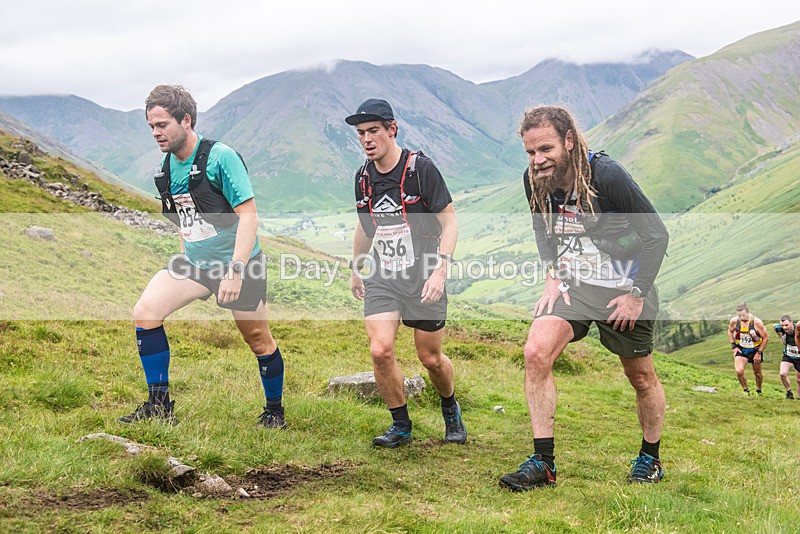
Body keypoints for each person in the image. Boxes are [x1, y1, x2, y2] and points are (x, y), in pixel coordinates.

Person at [499, 106, 669, 490]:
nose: (538, 160)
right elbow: (542, 229)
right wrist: (552, 277)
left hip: (623, 288)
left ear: (569, 141)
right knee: (536, 351)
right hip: (574, 286)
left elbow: (657, 235)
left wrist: (637, 294)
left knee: (640, 375)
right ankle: (543, 463)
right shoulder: (535, 179)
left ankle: (650, 459)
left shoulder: (606, 176)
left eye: (545, 149)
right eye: (530, 152)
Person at [118, 84, 287, 429]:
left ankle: (274, 412)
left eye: (163, 125)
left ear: (186, 120)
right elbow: (184, 221)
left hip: (240, 263)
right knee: (146, 312)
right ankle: (159, 405)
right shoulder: (164, 171)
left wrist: (236, 270)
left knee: (257, 339)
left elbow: (249, 216)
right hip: (196, 264)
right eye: (151, 126)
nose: (156, 133)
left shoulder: (221, 157)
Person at [345, 98, 465, 447]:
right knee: (380, 350)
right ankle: (401, 424)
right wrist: (357, 267)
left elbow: (450, 222)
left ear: (391, 130)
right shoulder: (363, 178)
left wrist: (441, 270)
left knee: (430, 357)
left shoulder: (420, 169)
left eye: (373, 131)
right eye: (361, 134)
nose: (367, 139)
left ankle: (449, 406)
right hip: (384, 275)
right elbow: (365, 227)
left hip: (425, 273)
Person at [727, 303, 769, 396]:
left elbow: (766, 338)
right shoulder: (734, 321)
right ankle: (746, 390)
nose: (741, 317)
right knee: (739, 371)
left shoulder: (757, 322)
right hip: (742, 349)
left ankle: (759, 390)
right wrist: (734, 347)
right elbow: (730, 331)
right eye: (739, 315)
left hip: (755, 349)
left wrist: (759, 353)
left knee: (757, 373)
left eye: (743, 315)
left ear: (748, 312)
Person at [774, 315, 799, 399]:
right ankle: (789, 393)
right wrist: (781, 336)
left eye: (786, 325)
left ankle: (799, 398)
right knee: (782, 373)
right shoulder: (779, 328)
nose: (784, 327)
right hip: (789, 355)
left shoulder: (798, 329)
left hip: (799, 357)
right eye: (783, 325)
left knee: (799, 380)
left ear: (792, 322)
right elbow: (776, 327)